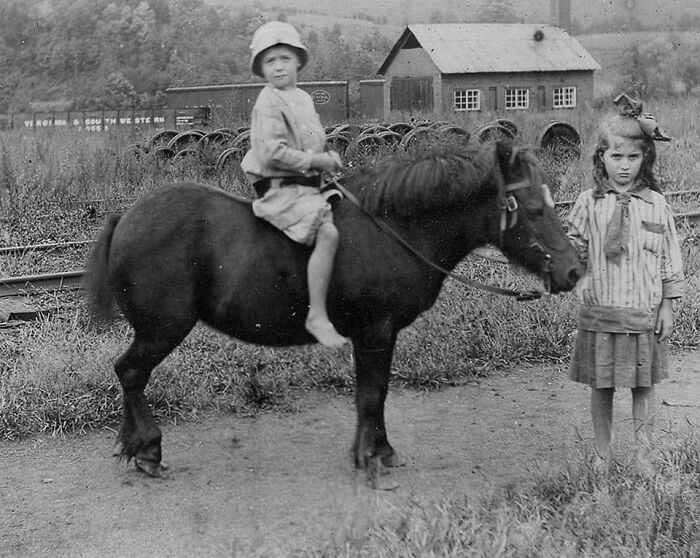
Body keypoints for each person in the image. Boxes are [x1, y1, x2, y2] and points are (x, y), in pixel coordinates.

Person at [566, 93, 684, 475]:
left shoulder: (656, 205)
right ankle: (601, 455)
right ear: (601, 157)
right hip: (601, 312)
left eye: (633, 157)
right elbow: (574, 249)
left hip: (642, 314)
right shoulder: (588, 202)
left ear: (645, 159)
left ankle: (644, 457)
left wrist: (667, 305)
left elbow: (669, 256)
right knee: (601, 386)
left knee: (644, 387)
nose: (624, 166)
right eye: (616, 157)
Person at [241, 21, 349, 349]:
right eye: (270, 61)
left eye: (284, 58)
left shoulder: (302, 98)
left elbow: (312, 141)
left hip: (307, 185)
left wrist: (328, 154)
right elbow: (271, 152)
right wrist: (316, 162)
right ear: (261, 68)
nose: (278, 67)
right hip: (281, 189)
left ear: (298, 61)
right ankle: (316, 315)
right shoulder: (268, 102)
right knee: (328, 233)